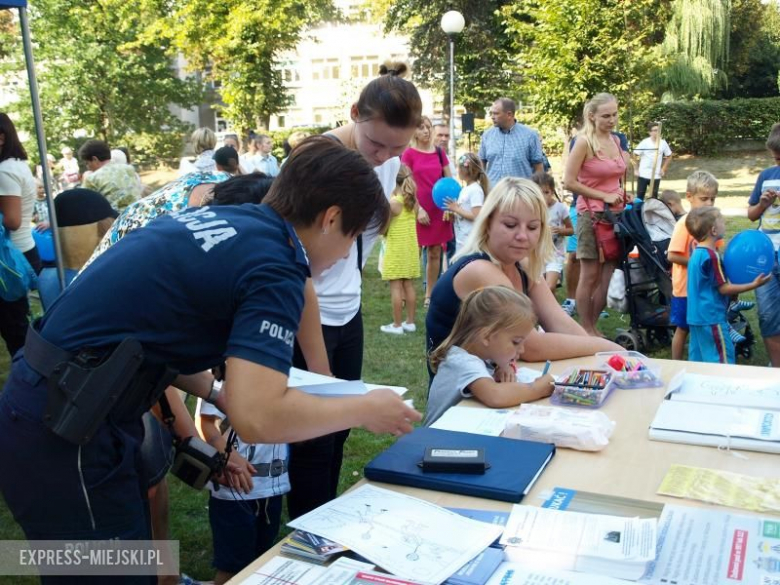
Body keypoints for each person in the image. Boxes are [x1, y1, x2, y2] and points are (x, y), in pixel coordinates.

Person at [0, 138, 420, 577]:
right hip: (66, 426)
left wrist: (214, 393)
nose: (346, 255)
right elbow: (257, 416)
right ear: (331, 219)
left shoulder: (229, 222)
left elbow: (151, 334)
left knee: (122, 560)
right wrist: (363, 408)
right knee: (101, 571)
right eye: (353, 237)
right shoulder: (275, 263)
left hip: (62, 404)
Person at [287, 60, 422, 521]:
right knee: (312, 436)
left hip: (348, 311)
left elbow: (368, 230)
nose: (384, 156)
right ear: (354, 114)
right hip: (308, 314)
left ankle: (325, 521)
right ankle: (310, 532)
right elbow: (296, 268)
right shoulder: (316, 162)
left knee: (338, 432)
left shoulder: (388, 162)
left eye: (397, 147)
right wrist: (320, 369)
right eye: (375, 143)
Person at [426, 177, 623, 373]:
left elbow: (558, 321)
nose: (522, 236)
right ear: (488, 223)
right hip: (464, 389)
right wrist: (605, 347)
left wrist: (602, 354)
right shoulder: (479, 270)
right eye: (510, 225)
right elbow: (530, 346)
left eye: (532, 227)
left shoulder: (523, 265)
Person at [424, 286, 554, 426]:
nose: (522, 350)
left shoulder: (484, 352)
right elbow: (495, 396)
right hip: (440, 437)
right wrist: (537, 388)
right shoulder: (462, 361)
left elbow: (498, 363)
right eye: (516, 342)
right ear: (486, 336)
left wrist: (506, 366)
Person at [196, 394, 289, 585]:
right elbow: (205, 424)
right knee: (233, 568)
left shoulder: (280, 376)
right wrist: (228, 456)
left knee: (262, 560)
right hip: (233, 492)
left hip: (271, 487)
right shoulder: (220, 377)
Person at [563, 93, 628, 337]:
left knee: (608, 274)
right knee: (589, 274)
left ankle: (592, 326)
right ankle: (587, 328)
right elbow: (569, 182)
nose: (612, 120)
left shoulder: (616, 140)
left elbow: (614, 178)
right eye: (606, 116)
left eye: (615, 114)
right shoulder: (583, 142)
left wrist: (620, 193)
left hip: (616, 215)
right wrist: (603, 196)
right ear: (592, 116)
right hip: (590, 216)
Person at [685, 207, 770, 364]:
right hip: (711, 318)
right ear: (714, 230)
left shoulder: (696, 253)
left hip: (695, 317)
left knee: (698, 363)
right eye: (722, 221)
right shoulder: (712, 257)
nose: (725, 223)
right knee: (722, 361)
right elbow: (724, 288)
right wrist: (753, 284)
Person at [0, 113, 42, 358]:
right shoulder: (16, 164)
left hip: (10, 258)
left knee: (15, 329)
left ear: (1, 137)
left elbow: (12, 221)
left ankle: (28, 374)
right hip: (23, 250)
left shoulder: (4, 171)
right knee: (19, 324)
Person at [667, 171, 719, 361]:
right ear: (689, 196)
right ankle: (676, 364)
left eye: (713, 199)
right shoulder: (684, 224)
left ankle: (701, 361)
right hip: (685, 290)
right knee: (683, 328)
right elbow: (672, 255)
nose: (709, 204)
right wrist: (698, 263)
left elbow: (717, 252)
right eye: (704, 199)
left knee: (703, 326)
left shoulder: (712, 224)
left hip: (705, 288)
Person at [402, 115, 452, 307]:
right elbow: (406, 185)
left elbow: (449, 181)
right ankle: (404, 291)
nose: (426, 130)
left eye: (428, 127)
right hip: (416, 208)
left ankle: (429, 294)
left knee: (435, 253)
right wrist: (418, 209)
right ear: (414, 131)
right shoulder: (408, 154)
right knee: (411, 252)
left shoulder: (439, 152)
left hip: (438, 209)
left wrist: (449, 207)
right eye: (421, 127)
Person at [747, 122, 780, 367]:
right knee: (768, 315)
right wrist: (763, 204)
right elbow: (751, 214)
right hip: (765, 254)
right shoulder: (766, 176)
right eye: (777, 159)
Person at [380, 165, 420, 335]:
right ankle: (410, 322)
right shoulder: (413, 201)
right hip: (410, 248)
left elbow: (383, 229)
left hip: (396, 248)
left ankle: (397, 325)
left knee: (396, 287)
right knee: (408, 285)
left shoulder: (394, 203)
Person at [478, 97, 544, 184]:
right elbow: (481, 163)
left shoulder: (530, 136)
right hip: (493, 190)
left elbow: (538, 168)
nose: (492, 117)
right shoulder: (487, 135)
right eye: (492, 113)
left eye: (496, 114)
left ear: (509, 115)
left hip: (520, 191)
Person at [532, 171, 573, 292]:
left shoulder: (560, 208)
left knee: (550, 286)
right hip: (537, 253)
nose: (543, 196)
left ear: (552, 191)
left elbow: (571, 230)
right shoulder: (532, 208)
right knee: (540, 287)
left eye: (546, 192)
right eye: (539, 193)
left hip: (555, 253)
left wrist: (561, 231)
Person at [80, 138, 144, 209]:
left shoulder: (92, 179)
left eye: (87, 163)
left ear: (95, 159)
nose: (88, 167)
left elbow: (83, 204)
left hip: (117, 215)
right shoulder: (129, 168)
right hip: (140, 212)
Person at [446, 152, 488, 253]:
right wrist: (454, 215)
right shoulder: (466, 189)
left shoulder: (475, 190)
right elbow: (465, 211)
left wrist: (456, 209)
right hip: (461, 241)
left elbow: (476, 216)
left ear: (465, 170)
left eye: (459, 168)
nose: (457, 170)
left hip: (470, 243)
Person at [632, 122, 672, 200]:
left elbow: (669, 156)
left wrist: (663, 169)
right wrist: (636, 169)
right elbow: (634, 154)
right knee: (640, 197)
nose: (657, 132)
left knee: (654, 198)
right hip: (643, 174)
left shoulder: (663, 143)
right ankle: (638, 208)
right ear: (650, 132)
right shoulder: (645, 142)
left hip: (656, 175)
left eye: (658, 130)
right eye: (655, 130)